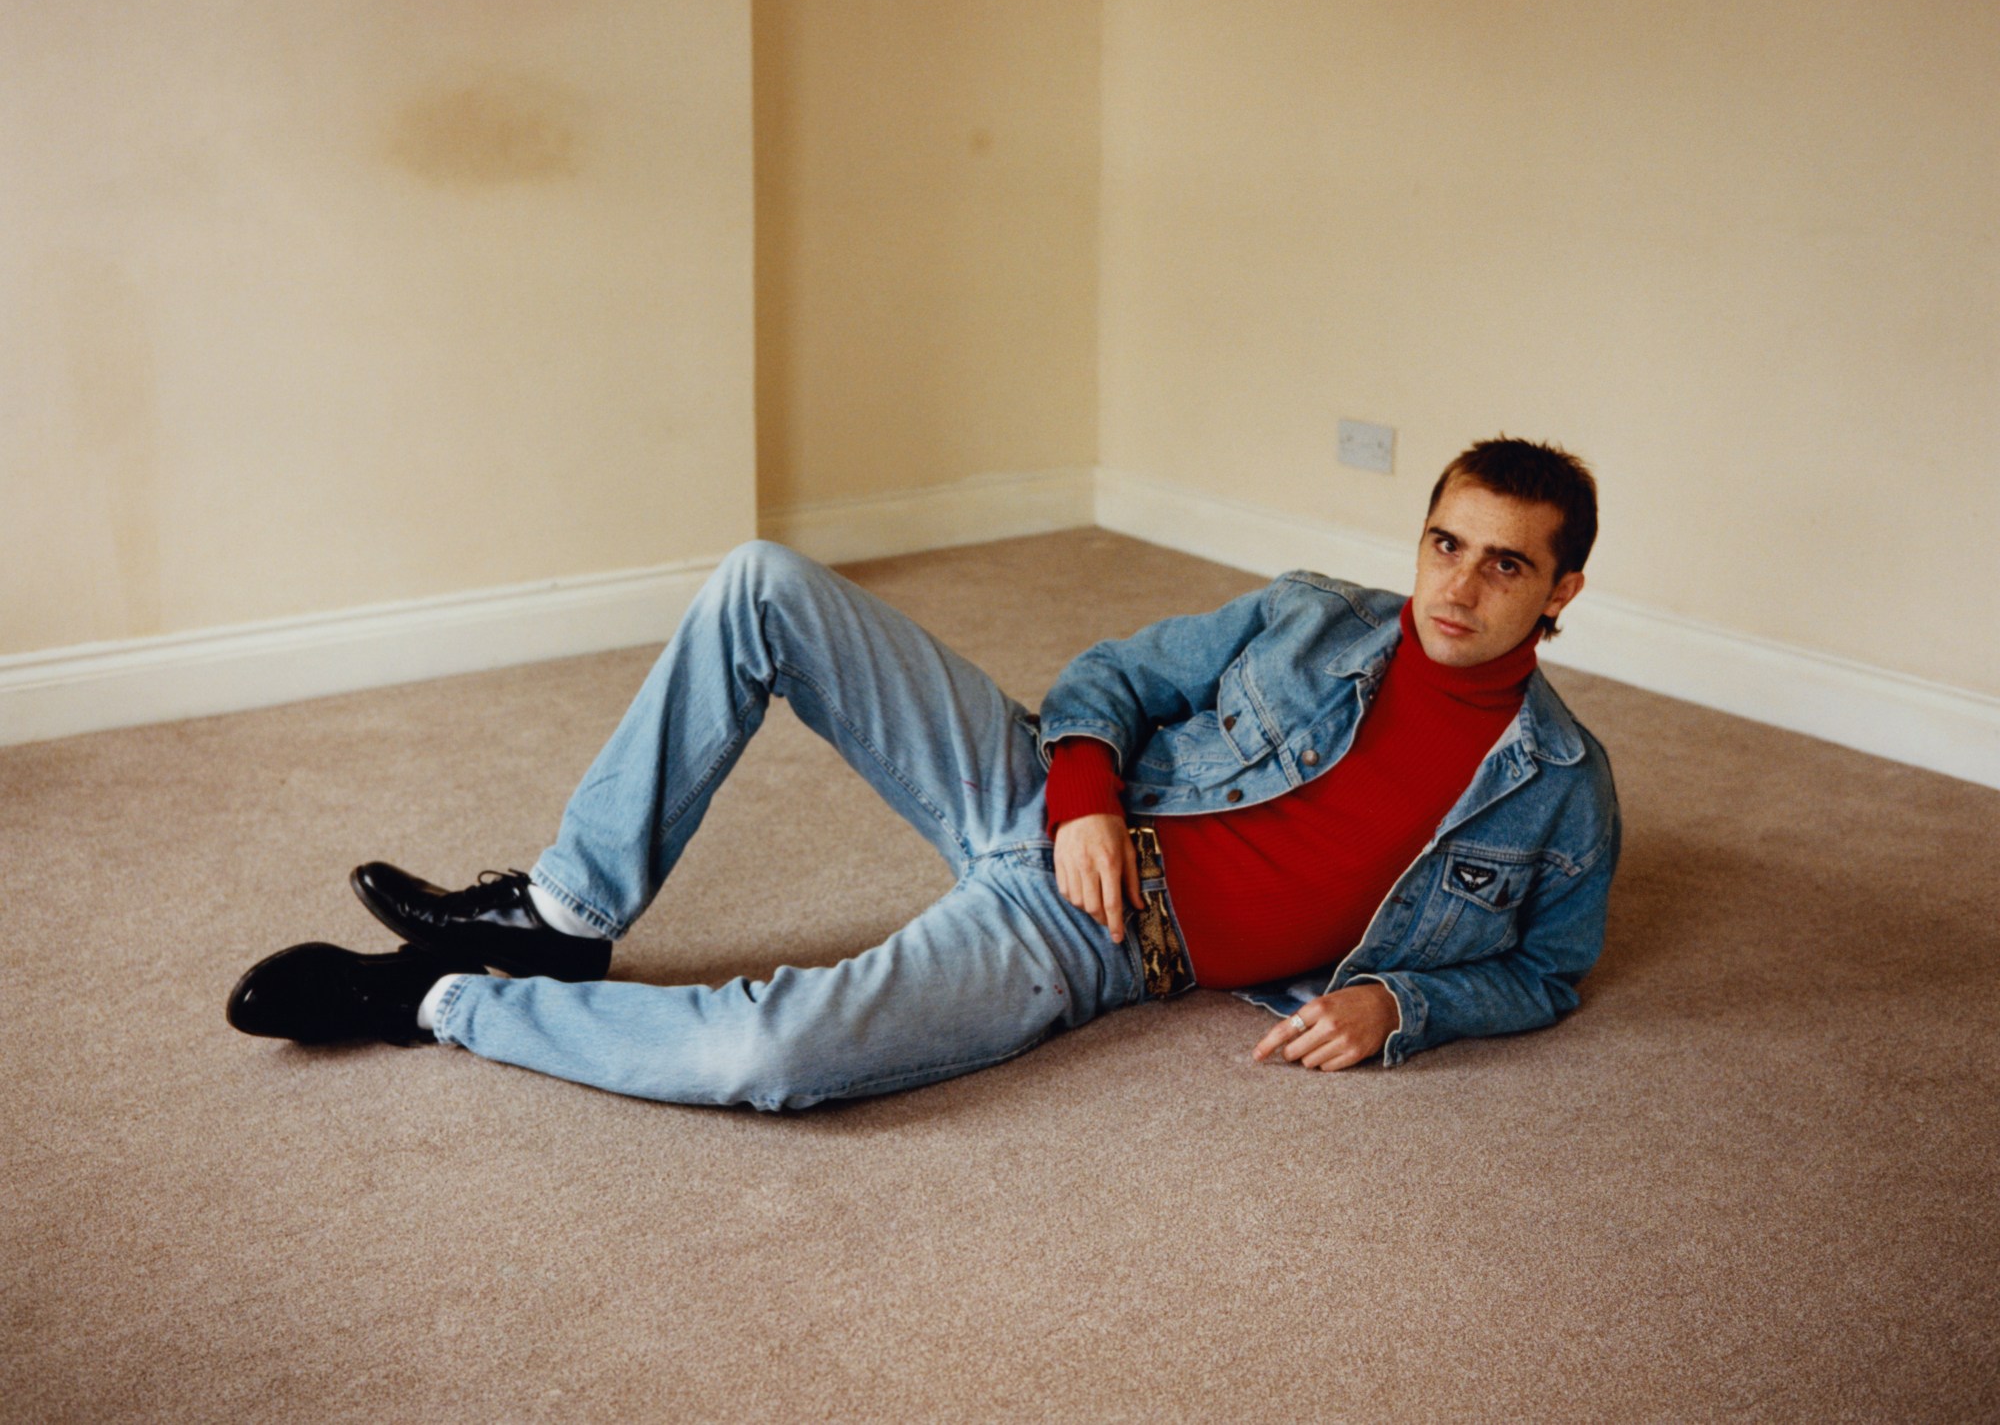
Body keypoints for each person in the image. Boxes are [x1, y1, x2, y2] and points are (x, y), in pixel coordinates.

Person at [228, 437, 1620, 1109]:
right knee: (763, 580)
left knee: (775, 1055)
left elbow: (1548, 969)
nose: (1461, 584)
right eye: (1447, 542)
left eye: (1508, 563)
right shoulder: (1316, 611)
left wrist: (1399, 1003)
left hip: (1096, 942)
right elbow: (1111, 684)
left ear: (1562, 591)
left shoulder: (1560, 784)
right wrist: (1077, 793)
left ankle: (443, 998)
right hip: (1046, 798)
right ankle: (565, 917)